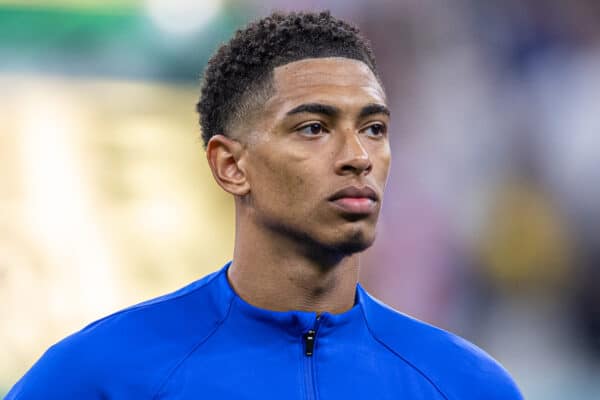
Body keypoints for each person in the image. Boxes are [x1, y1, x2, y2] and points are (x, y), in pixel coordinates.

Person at [6, 11, 523, 400]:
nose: (358, 157)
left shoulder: (465, 384)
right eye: (314, 128)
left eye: (373, 128)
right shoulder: (103, 374)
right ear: (231, 166)